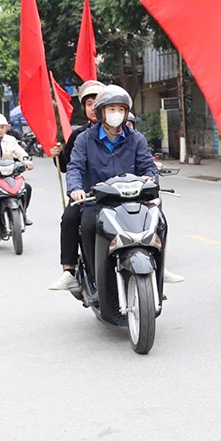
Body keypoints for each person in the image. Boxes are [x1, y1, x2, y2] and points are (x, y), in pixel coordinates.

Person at [65, 86, 161, 296]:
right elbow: (75, 168)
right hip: (97, 201)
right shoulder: (84, 139)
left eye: (120, 109)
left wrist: (150, 179)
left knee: (159, 221)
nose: (116, 113)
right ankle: (92, 277)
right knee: (88, 224)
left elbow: (149, 167)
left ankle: (160, 271)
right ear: (101, 112)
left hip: (132, 199)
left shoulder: (137, 139)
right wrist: (75, 189)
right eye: (111, 108)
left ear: (126, 113)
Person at [47, 80, 105, 291]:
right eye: (89, 104)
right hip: (88, 196)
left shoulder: (125, 133)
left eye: (97, 102)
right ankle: (70, 270)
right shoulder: (79, 136)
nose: (93, 108)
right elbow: (68, 167)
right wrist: (58, 155)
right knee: (70, 218)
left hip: (119, 193)